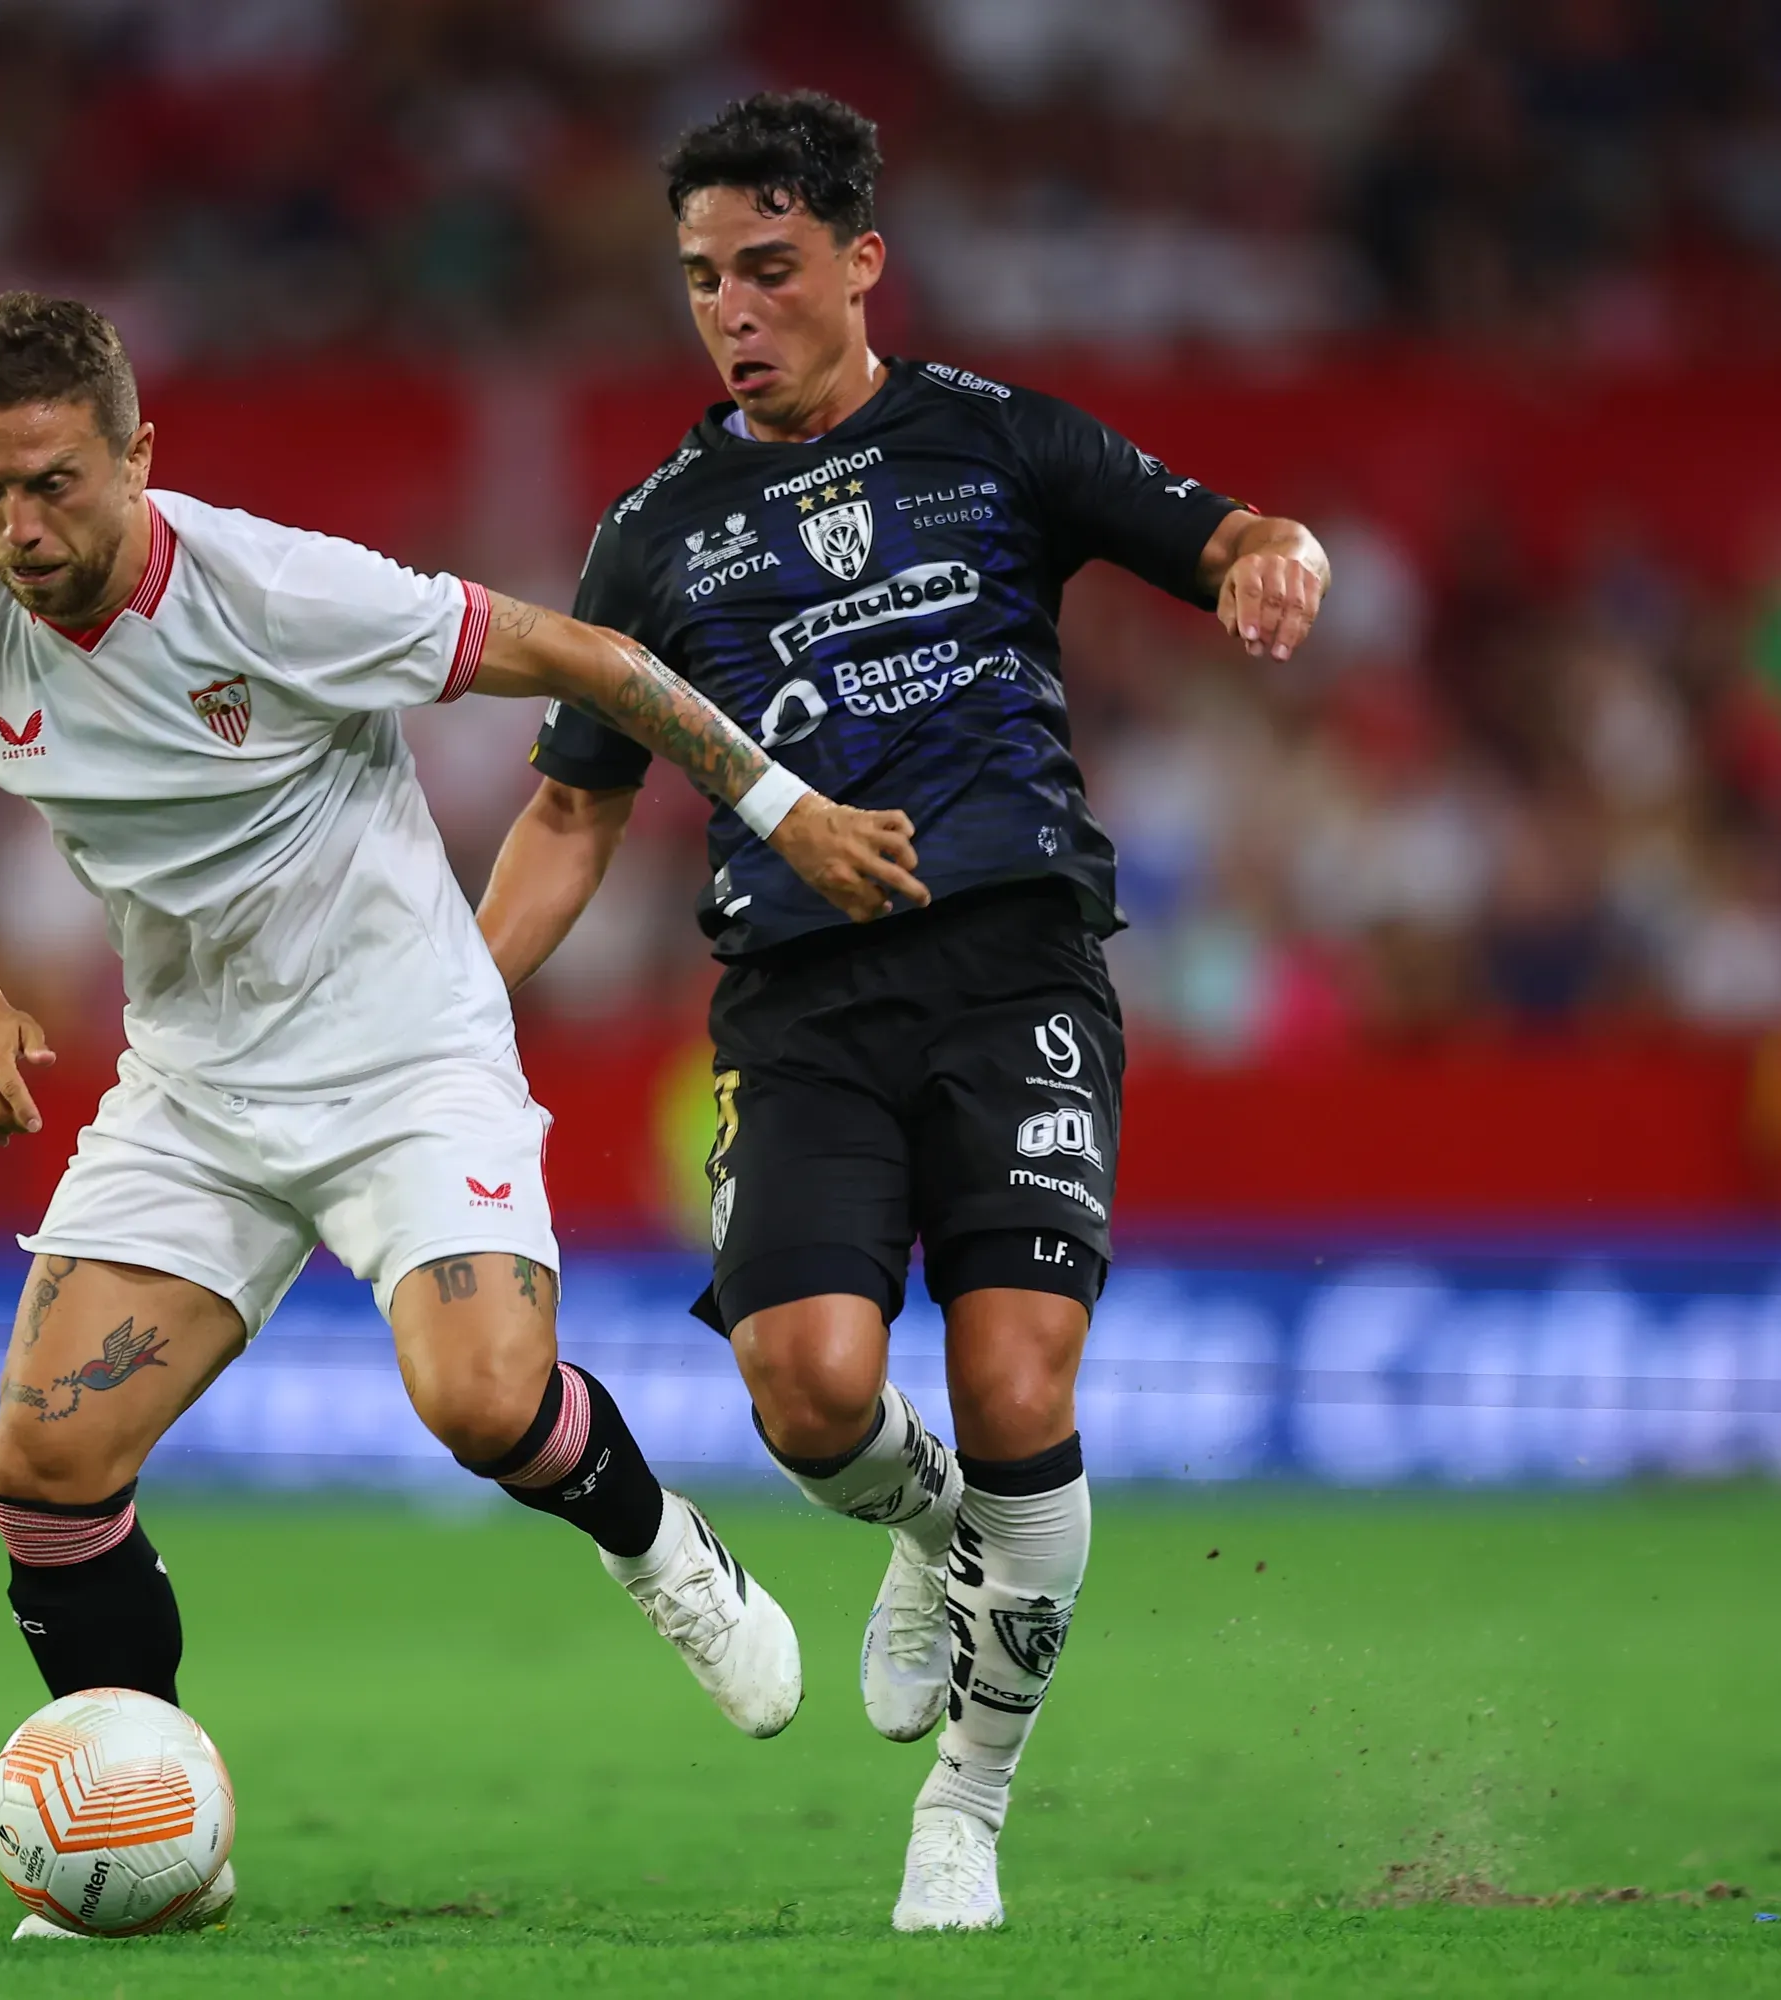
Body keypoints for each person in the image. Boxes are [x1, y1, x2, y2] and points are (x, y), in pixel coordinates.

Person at [0, 292, 927, 1939]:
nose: (21, 526)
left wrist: (781, 810)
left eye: (57, 484)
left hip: (406, 1062)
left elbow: (595, 661)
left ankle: (659, 1549)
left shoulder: (282, 591)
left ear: (139, 456)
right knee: (43, 1465)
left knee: (480, 1403)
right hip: (198, 1090)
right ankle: (155, 1839)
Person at [474, 94, 1329, 1933]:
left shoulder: (996, 439)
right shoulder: (654, 538)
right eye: (703, 279)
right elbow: (571, 811)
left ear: (863, 263)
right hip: (797, 1002)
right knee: (809, 1394)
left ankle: (968, 1805)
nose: (733, 309)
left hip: (1014, 964)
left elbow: (1219, 525)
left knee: (1021, 1383)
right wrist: (457, 1011)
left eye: (769, 269)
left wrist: (1274, 551)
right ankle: (938, 1538)